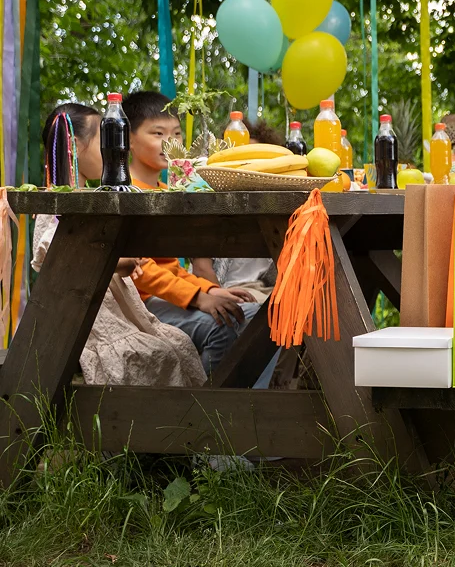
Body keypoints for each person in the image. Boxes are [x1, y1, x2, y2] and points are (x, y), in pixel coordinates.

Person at [31, 104, 206, 387]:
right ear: (74, 146)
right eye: (104, 139)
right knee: (158, 353)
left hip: (113, 313)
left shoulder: (91, 197)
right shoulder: (53, 204)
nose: (113, 149)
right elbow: (60, 258)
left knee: (179, 344)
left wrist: (118, 263)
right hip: (87, 322)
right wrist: (115, 262)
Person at [122, 91, 260, 375]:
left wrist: (211, 289)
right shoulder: (125, 192)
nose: (170, 143)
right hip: (140, 302)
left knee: (262, 316)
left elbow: (171, 268)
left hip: (170, 294)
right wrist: (198, 297)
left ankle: (241, 400)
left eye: (176, 134)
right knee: (229, 324)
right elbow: (141, 270)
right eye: (158, 133)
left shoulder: (167, 191)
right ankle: (204, 397)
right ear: (129, 139)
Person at [192, 120, 280, 303]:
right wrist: (222, 298)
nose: (247, 169)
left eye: (256, 162)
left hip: (266, 291)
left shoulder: (277, 208)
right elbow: (201, 268)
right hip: (220, 290)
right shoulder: (210, 205)